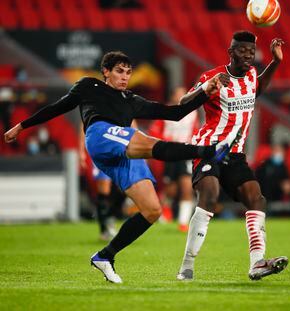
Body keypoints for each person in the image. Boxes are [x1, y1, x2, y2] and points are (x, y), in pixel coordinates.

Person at [4, 51, 240, 284]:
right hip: (101, 137)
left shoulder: (131, 100)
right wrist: (21, 126)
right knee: (147, 141)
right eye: (119, 71)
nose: (125, 76)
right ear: (105, 71)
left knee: (152, 210)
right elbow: (57, 107)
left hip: (124, 149)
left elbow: (176, 114)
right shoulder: (89, 86)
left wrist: (204, 91)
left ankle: (105, 256)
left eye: (128, 72)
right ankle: (209, 151)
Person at [176, 31, 288, 281]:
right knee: (210, 195)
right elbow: (183, 103)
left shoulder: (250, 77)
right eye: (241, 50)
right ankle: (186, 266)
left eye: (251, 51)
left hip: (235, 155)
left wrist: (275, 62)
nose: (248, 55)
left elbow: (257, 88)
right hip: (209, 151)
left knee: (256, 199)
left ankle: (257, 263)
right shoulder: (214, 77)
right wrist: (206, 88)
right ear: (230, 52)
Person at [149, 87, 199, 232]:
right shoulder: (165, 110)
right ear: (172, 96)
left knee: (186, 186)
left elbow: (195, 131)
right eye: (179, 93)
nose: (182, 96)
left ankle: (183, 222)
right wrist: (166, 140)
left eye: (184, 93)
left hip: (185, 152)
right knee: (171, 190)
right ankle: (165, 208)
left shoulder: (192, 113)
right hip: (169, 152)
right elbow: (155, 131)